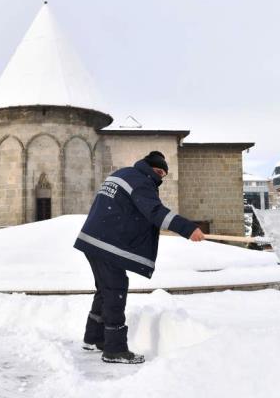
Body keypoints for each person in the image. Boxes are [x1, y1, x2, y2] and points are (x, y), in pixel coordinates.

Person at [74, 151, 205, 364]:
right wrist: (188, 229)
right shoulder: (141, 181)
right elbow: (154, 211)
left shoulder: (123, 174)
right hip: (107, 243)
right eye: (160, 173)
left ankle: (94, 338)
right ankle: (114, 349)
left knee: (105, 290)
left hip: (94, 239)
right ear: (153, 169)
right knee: (115, 289)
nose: (161, 178)